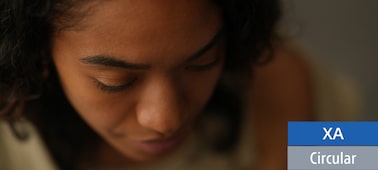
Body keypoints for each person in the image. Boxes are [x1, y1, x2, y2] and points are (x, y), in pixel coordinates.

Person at [0, 0, 313, 169]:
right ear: (38, 51)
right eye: (115, 82)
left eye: (202, 63)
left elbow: (359, 153)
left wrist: (293, 155)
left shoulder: (278, 101)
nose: (166, 121)